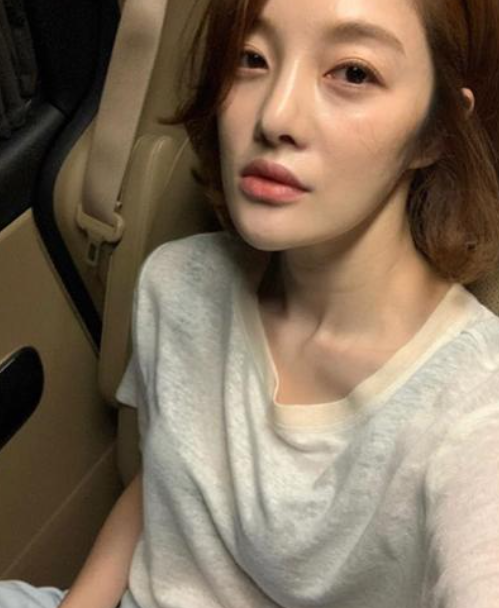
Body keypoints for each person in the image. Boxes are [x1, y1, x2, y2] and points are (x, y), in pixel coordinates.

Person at [2, 0, 499, 606]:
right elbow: (164, 489)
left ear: (436, 130)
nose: (275, 115)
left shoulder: (475, 406)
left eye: (353, 72)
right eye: (250, 58)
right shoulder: (178, 282)